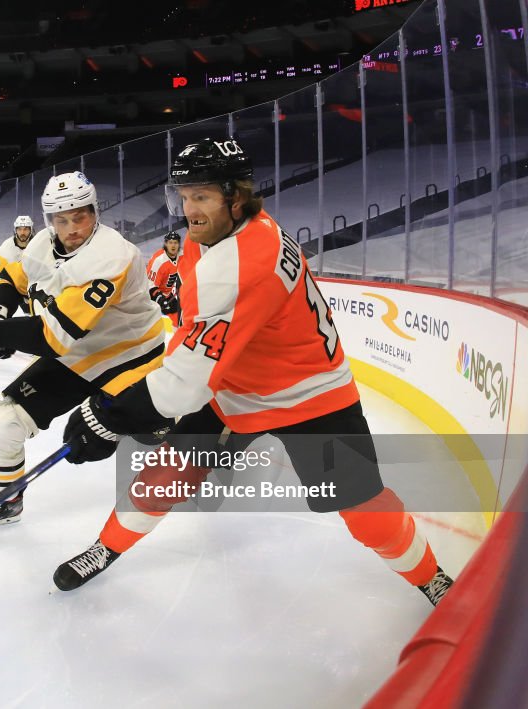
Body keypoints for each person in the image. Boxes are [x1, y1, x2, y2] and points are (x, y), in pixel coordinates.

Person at [56, 138, 454, 606]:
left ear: (235, 196)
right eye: (182, 196)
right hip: (232, 388)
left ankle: (432, 577)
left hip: (309, 396)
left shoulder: (240, 262)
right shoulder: (219, 237)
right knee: (166, 474)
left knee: (367, 511)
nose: (189, 210)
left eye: (201, 196)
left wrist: (109, 415)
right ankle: (106, 548)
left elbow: (185, 380)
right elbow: (197, 341)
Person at [0, 171, 165, 526]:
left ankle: (178, 420)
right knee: (0, 425)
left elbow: (54, 336)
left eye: (80, 216)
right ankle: (6, 504)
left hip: (132, 357)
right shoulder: (40, 244)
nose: (71, 228)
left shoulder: (111, 255)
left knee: (150, 436)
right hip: (79, 356)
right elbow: (9, 280)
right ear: (49, 220)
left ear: (95, 212)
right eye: (60, 219)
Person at [0, 215, 35, 360]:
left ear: (31, 230)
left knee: (36, 317)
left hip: (31, 287)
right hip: (9, 283)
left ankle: (35, 344)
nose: (23, 232)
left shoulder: (39, 244)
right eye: (20, 229)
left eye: (26, 229)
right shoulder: (6, 247)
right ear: (15, 230)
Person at [146, 231, 187, 327]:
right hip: (151, 294)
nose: (173, 245)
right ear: (165, 244)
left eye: (175, 243)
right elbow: (149, 285)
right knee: (148, 323)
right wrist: (160, 298)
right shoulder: (159, 260)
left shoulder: (182, 255)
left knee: (178, 318)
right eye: (170, 242)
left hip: (168, 294)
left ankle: (178, 336)